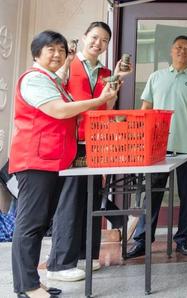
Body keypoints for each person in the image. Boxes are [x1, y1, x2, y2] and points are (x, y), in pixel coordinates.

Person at [9, 30, 117, 297]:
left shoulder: (54, 81)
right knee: (31, 223)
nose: (57, 55)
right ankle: (27, 286)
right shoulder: (34, 79)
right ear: (37, 53)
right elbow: (58, 111)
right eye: (50, 50)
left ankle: (33, 282)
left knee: (40, 221)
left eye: (61, 50)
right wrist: (100, 100)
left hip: (53, 161)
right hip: (35, 160)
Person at [46, 21, 133, 282]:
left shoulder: (106, 71)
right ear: (85, 38)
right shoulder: (68, 63)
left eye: (104, 40)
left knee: (93, 197)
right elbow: (57, 94)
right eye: (94, 38)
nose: (98, 43)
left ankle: (87, 256)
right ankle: (59, 264)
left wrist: (117, 80)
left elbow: (108, 106)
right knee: (70, 200)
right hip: (71, 139)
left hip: (96, 140)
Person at [126, 35, 187, 259]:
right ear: (171, 50)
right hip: (158, 146)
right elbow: (146, 108)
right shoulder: (156, 77)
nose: (183, 51)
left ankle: (183, 239)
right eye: (179, 47)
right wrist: (140, 137)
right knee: (153, 193)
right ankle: (142, 240)